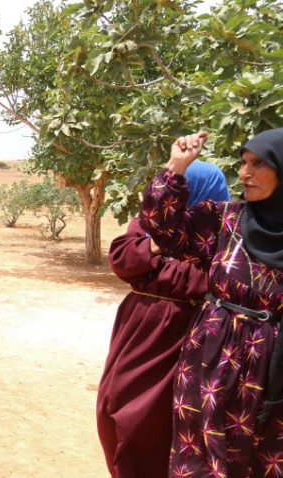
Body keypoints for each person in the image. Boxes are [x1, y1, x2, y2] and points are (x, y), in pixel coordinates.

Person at [138, 129, 283, 475]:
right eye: (243, 163)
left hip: (274, 369)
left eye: (258, 164)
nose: (245, 173)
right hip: (211, 358)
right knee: (200, 460)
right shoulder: (226, 219)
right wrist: (176, 167)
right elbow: (161, 228)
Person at [97, 161, 230, 478]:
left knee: (161, 422)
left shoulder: (225, 235)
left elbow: (212, 280)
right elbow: (123, 260)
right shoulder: (151, 223)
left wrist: (154, 266)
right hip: (141, 329)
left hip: (190, 333)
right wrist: (161, 240)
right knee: (114, 410)